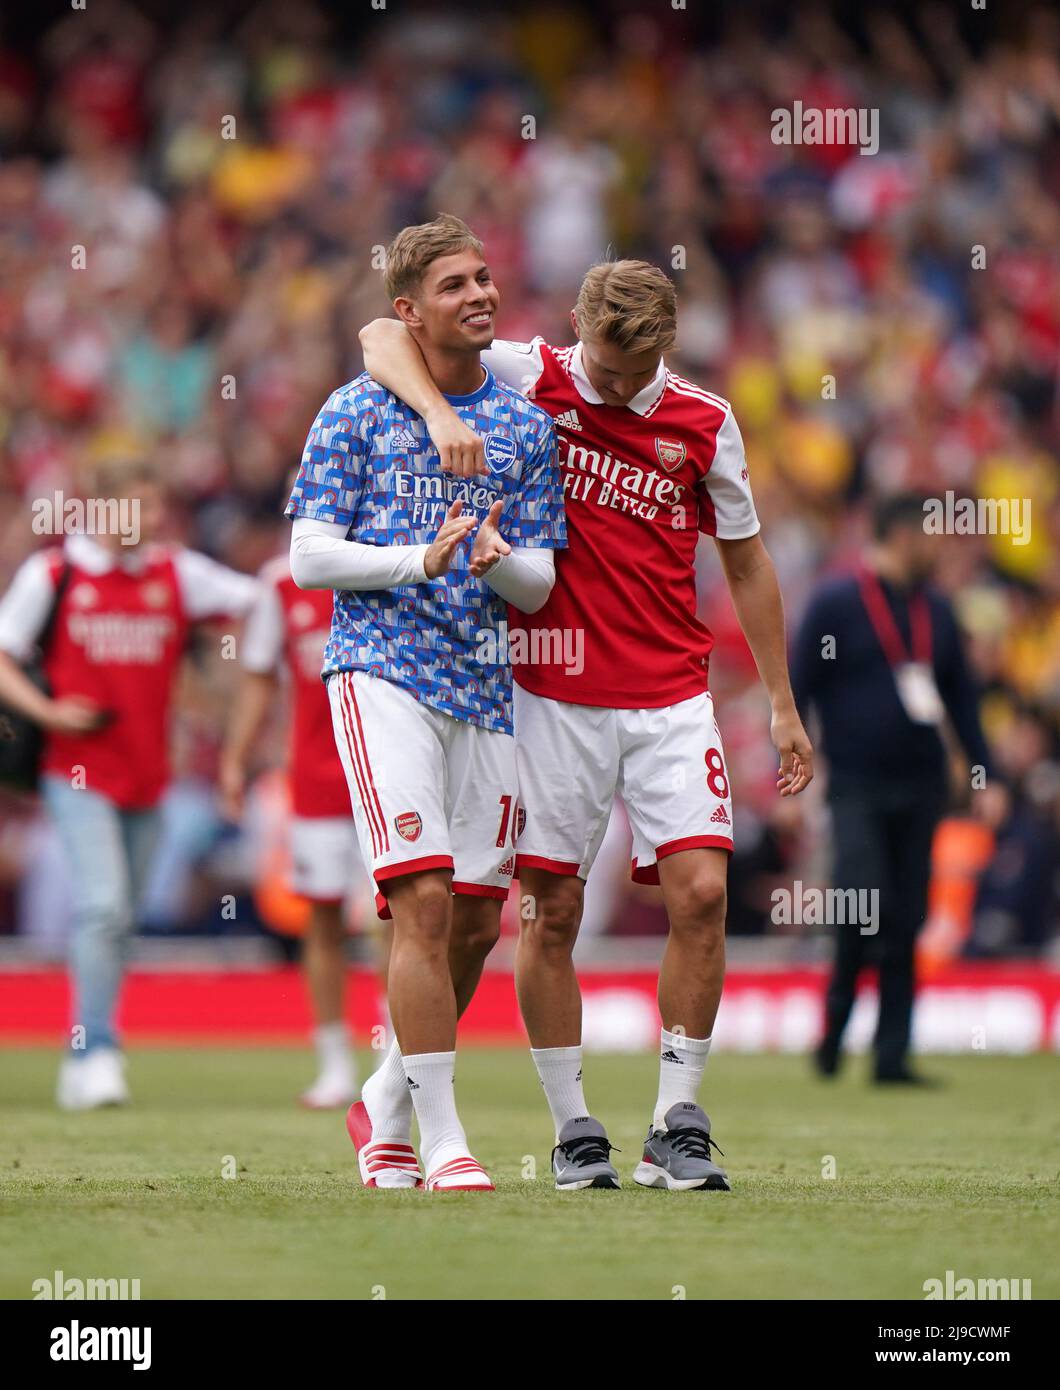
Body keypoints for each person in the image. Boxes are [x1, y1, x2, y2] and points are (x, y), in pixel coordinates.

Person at [360, 255, 813, 1192]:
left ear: (669, 344)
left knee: (699, 895)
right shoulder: (535, 372)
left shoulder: (706, 422)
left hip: (671, 694)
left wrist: (780, 703)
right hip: (549, 695)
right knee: (548, 911)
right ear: (576, 324)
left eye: (630, 372)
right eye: (602, 367)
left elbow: (749, 562)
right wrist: (442, 417)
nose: (610, 385)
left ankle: (676, 1119)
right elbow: (379, 339)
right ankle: (573, 1128)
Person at [285, 214, 565, 1191]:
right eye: (454, 285)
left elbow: (541, 585)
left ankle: (386, 1100)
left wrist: (497, 561)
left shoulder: (525, 425)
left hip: (483, 689)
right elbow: (308, 555)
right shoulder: (355, 411)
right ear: (409, 312)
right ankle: (443, 1141)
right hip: (383, 670)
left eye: (485, 277)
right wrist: (420, 558)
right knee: (423, 897)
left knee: (478, 924)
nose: (480, 294)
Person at [0, 459, 258, 1109]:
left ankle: (89, 1045)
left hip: (150, 777)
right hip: (76, 772)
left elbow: (259, 598)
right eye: (135, 507)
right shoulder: (55, 574)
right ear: (101, 506)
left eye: (155, 507)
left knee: (122, 916)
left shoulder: (176, 572)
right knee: (105, 905)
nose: (148, 520)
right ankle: (94, 1051)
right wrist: (49, 712)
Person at [790, 492, 1002, 1083]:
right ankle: (834, 1034)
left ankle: (891, 1054)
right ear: (902, 535)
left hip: (922, 785)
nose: (940, 546)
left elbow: (962, 700)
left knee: (907, 916)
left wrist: (987, 775)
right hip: (856, 783)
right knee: (864, 904)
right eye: (930, 534)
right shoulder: (836, 602)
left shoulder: (936, 609)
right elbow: (799, 683)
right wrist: (796, 759)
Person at [220, 547, 367, 1110]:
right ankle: (334, 1062)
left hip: (390, 772)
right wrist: (235, 759)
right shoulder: (280, 583)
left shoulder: (396, 554)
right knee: (322, 915)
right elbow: (259, 677)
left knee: (402, 915)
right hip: (314, 778)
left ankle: (394, 1060)